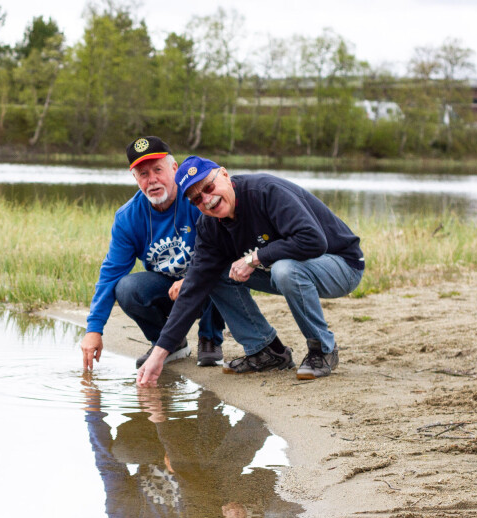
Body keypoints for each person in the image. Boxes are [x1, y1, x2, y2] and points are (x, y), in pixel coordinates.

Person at [137, 156, 364, 387]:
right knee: (213, 276)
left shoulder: (265, 191)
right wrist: (159, 355)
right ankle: (266, 351)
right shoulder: (209, 226)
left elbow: (314, 240)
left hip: (342, 265)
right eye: (197, 199)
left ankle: (323, 350)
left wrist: (255, 257)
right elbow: (194, 288)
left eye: (209, 187)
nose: (207, 199)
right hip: (286, 270)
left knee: (285, 270)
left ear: (224, 174)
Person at [80, 137, 225, 371]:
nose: (152, 180)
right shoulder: (128, 217)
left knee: (222, 270)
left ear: (174, 169)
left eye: (158, 170)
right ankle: (168, 343)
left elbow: (222, 252)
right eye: (143, 174)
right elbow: (111, 273)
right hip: (169, 290)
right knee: (126, 288)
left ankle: (209, 339)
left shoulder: (198, 199)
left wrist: (190, 280)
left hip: (207, 286)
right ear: (136, 179)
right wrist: (93, 330)